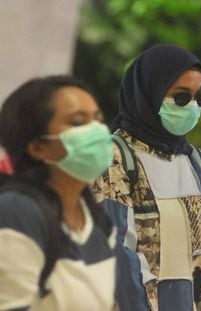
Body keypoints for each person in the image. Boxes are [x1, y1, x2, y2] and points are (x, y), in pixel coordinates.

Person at [93, 44, 201, 311]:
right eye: (181, 97)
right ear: (149, 92)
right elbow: (116, 247)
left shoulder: (198, 163)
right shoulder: (113, 157)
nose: (191, 107)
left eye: (197, 99)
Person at [0, 75, 116, 310]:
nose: (96, 131)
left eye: (97, 119)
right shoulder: (18, 211)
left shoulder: (96, 219)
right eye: (77, 122)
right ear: (38, 147)